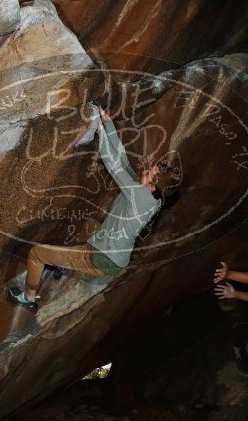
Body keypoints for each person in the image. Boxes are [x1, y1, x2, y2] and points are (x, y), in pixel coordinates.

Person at [9, 106, 180, 311]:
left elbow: (111, 162)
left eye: (150, 172)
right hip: (110, 255)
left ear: (152, 186)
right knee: (68, 249)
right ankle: (58, 263)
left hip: (101, 257)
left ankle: (29, 298)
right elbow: (123, 161)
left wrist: (99, 130)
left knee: (36, 254)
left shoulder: (140, 194)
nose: (146, 169)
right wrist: (108, 123)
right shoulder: (153, 197)